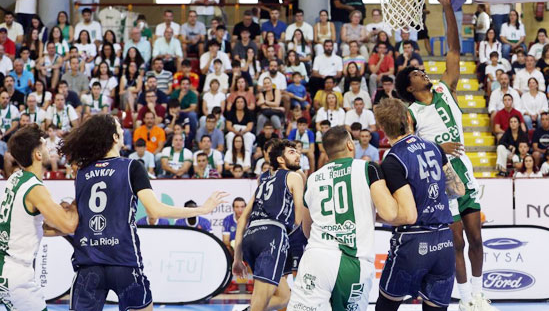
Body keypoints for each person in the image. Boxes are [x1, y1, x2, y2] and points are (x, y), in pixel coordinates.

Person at [59, 114, 226, 310]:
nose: (122, 131)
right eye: (119, 127)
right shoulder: (131, 167)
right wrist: (202, 209)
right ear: (114, 137)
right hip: (124, 262)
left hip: (88, 263)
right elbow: (155, 210)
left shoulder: (81, 172)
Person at [394, 0, 492, 310]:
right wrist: (438, 147)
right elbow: (408, 147)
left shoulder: (443, 88)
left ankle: (478, 295)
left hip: (463, 170)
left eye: (422, 70)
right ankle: (464, 300)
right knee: (456, 241)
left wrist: (447, 7)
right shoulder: (411, 113)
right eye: (416, 73)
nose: (423, 71)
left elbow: (453, 47)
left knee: (476, 238)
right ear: (410, 87)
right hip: (439, 178)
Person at [285, 126, 401, 311]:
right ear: (349, 144)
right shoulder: (367, 167)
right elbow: (390, 213)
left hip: (316, 259)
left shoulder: (313, 178)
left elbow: (307, 229)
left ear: (326, 151)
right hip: (352, 262)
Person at [372, 98, 460, 311]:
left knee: (386, 306)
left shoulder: (393, 159)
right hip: (444, 242)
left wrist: (376, 217)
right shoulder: (434, 147)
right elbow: (458, 190)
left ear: (382, 128)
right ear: (409, 118)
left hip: (413, 241)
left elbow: (408, 215)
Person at [0, 125, 77, 310]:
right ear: (38, 155)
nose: (49, 148)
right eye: (44, 144)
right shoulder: (35, 189)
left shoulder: (15, 178)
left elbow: (35, 227)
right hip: (15, 272)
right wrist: (77, 200)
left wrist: (59, 223)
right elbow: (69, 226)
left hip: (6, 267)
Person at [231, 140, 304, 311]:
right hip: (272, 235)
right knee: (261, 303)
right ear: (280, 159)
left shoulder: (263, 181)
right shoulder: (294, 176)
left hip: (251, 236)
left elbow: (242, 220)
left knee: (284, 296)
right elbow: (298, 220)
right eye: (292, 152)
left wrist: (237, 257)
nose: (298, 154)